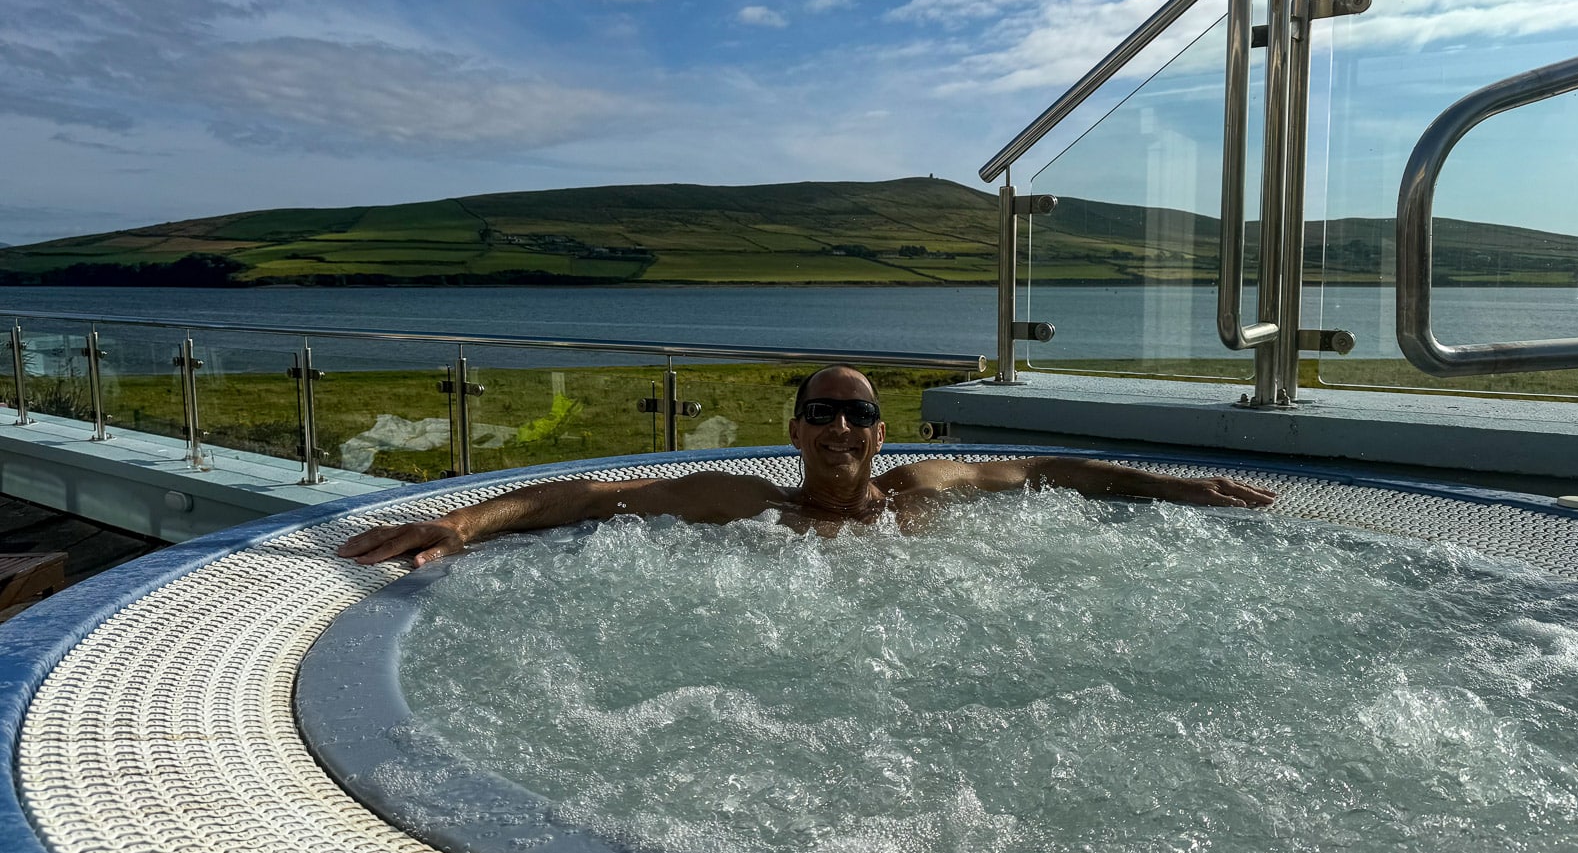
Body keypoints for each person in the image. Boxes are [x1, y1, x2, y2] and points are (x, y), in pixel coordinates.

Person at [337, 364, 1276, 567]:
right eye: (821, 413)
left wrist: (1181, 488)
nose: (840, 425)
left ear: (880, 435)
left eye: (858, 413)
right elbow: (593, 493)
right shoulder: (751, 504)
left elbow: (1047, 471)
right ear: (794, 433)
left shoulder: (919, 491)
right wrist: (460, 524)